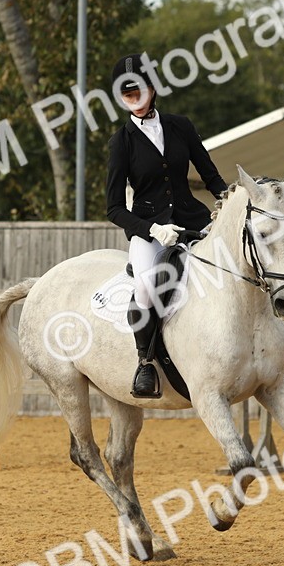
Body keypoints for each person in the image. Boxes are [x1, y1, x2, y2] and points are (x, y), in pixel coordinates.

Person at [106, 53, 228, 398]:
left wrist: (229, 199)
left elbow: (211, 175)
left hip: (193, 218)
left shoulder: (181, 126)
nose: (136, 100)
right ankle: (145, 363)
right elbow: (113, 208)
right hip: (149, 227)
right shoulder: (121, 142)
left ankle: (262, 347)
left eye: (140, 91)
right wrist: (151, 230)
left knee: (240, 262)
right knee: (146, 288)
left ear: (154, 88)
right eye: (128, 96)